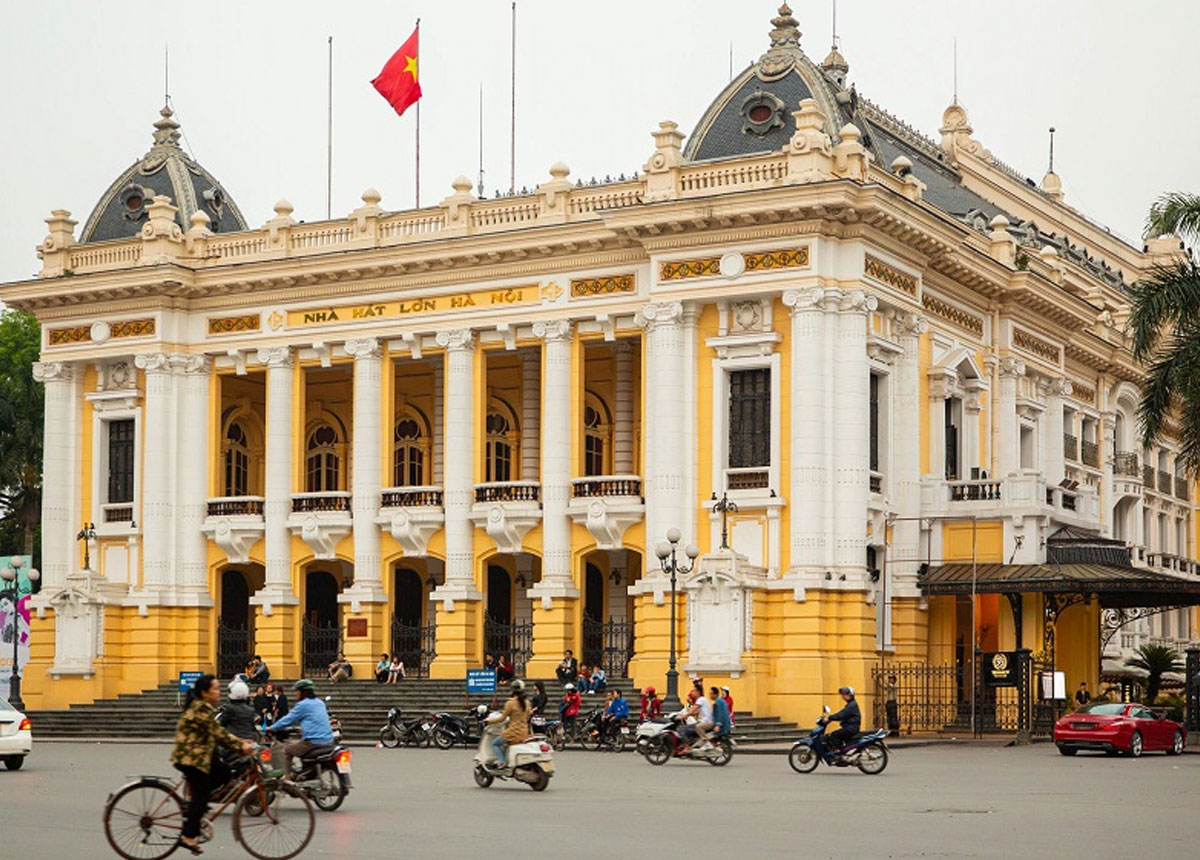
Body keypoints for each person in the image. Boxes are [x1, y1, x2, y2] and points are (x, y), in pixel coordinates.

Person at [171, 674, 254, 855]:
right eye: (215, 688)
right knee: (201, 796)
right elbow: (218, 733)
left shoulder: (205, 708)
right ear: (204, 693)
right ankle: (188, 836)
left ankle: (196, 807)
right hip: (191, 758)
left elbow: (218, 733)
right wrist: (240, 745)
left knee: (224, 773)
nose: (219, 692)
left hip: (203, 753)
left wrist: (240, 743)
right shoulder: (201, 709)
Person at [266, 679, 335, 779]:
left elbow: (288, 719)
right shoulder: (320, 702)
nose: (296, 694)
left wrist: (272, 727)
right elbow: (315, 719)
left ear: (303, 692)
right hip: (329, 740)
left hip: (313, 742)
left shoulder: (302, 705)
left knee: (288, 750)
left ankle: (287, 777)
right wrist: (301, 728)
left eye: (297, 691)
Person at [487, 678, 532, 772]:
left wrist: (490, 720)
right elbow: (528, 716)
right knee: (504, 743)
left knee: (495, 743)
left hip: (513, 732)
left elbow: (502, 719)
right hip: (524, 732)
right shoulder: (527, 702)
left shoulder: (510, 703)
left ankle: (501, 761)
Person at [821, 686, 861, 754]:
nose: (843, 696)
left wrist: (830, 718)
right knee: (839, 736)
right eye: (842, 694)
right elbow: (842, 714)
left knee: (834, 735)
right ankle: (843, 751)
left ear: (850, 695)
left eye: (845, 694)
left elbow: (841, 715)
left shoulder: (851, 705)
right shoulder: (851, 704)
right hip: (850, 727)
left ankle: (838, 752)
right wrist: (832, 718)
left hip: (851, 728)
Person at [691, 683, 715, 748]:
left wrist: (685, 715)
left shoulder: (701, 699)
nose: (692, 692)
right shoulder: (702, 699)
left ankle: (705, 741)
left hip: (707, 721)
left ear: (698, 692)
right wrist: (693, 714)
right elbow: (697, 711)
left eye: (694, 691)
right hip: (705, 720)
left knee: (697, 727)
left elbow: (694, 709)